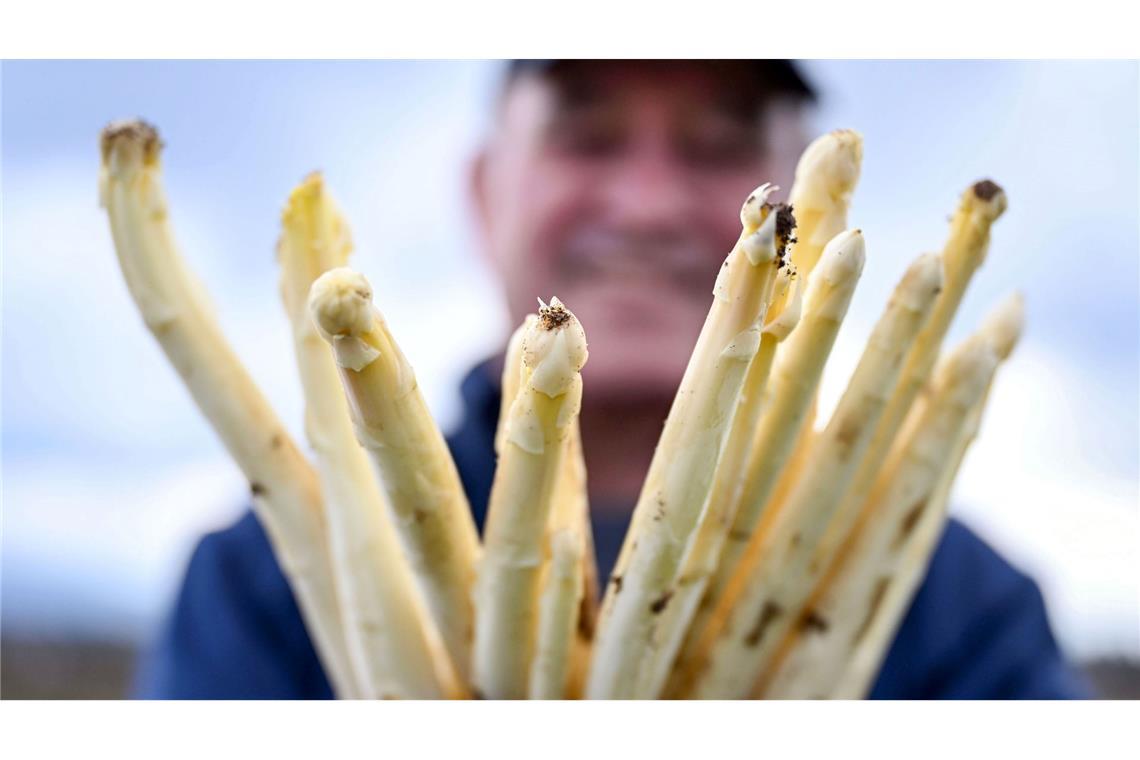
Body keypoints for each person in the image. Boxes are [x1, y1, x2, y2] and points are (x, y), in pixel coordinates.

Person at [135, 60, 1090, 699]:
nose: (646, 203)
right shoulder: (259, 589)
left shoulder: (960, 607)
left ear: (808, 208)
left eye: (718, 146)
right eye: (586, 137)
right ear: (482, 192)